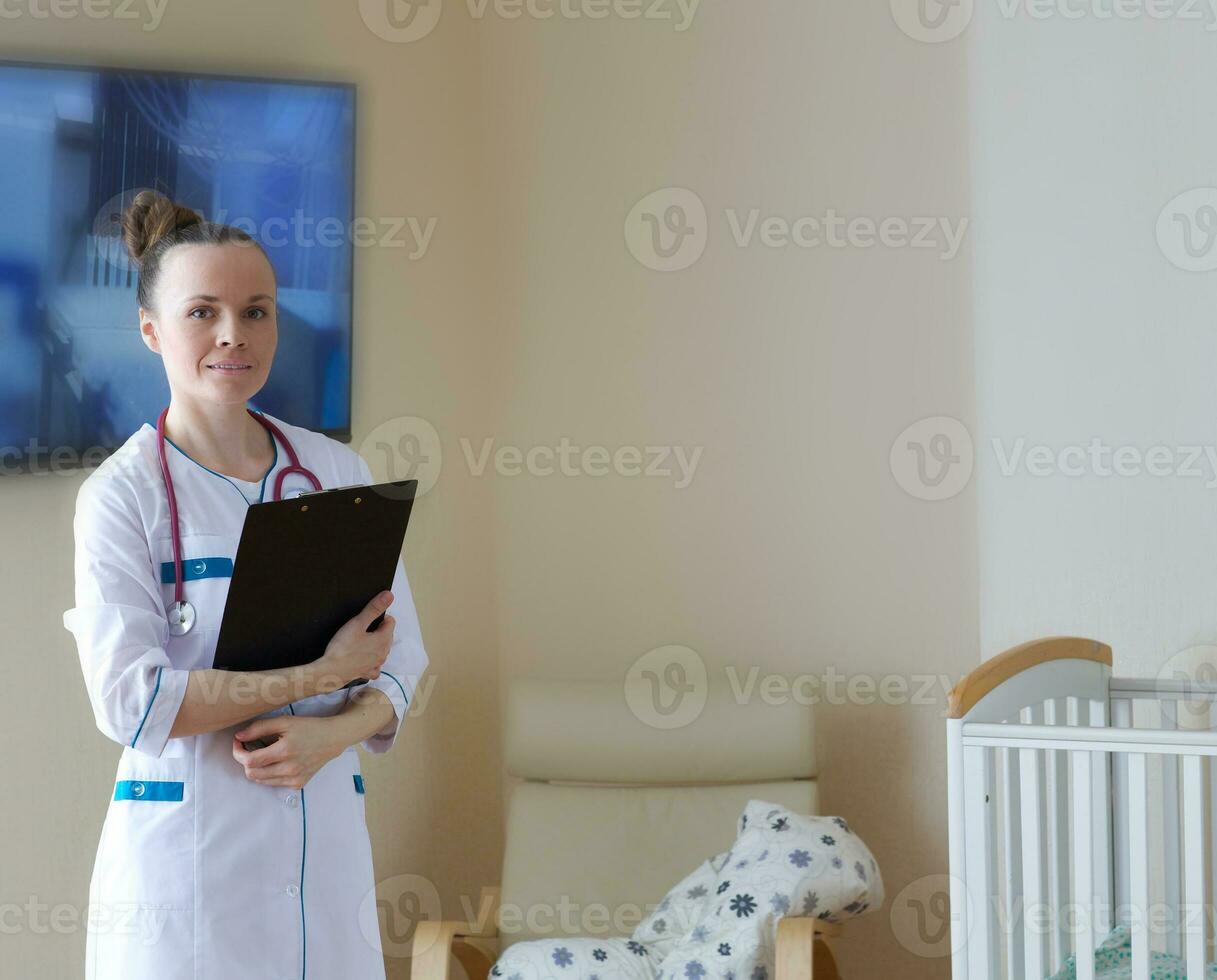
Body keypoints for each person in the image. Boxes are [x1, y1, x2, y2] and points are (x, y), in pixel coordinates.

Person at [61, 189, 429, 980]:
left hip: (322, 859)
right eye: (203, 311)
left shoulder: (335, 472)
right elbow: (132, 701)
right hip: (189, 872)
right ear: (152, 329)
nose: (235, 334)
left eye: (257, 310)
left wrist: (330, 733)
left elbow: (403, 660)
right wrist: (321, 678)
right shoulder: (121, 496)